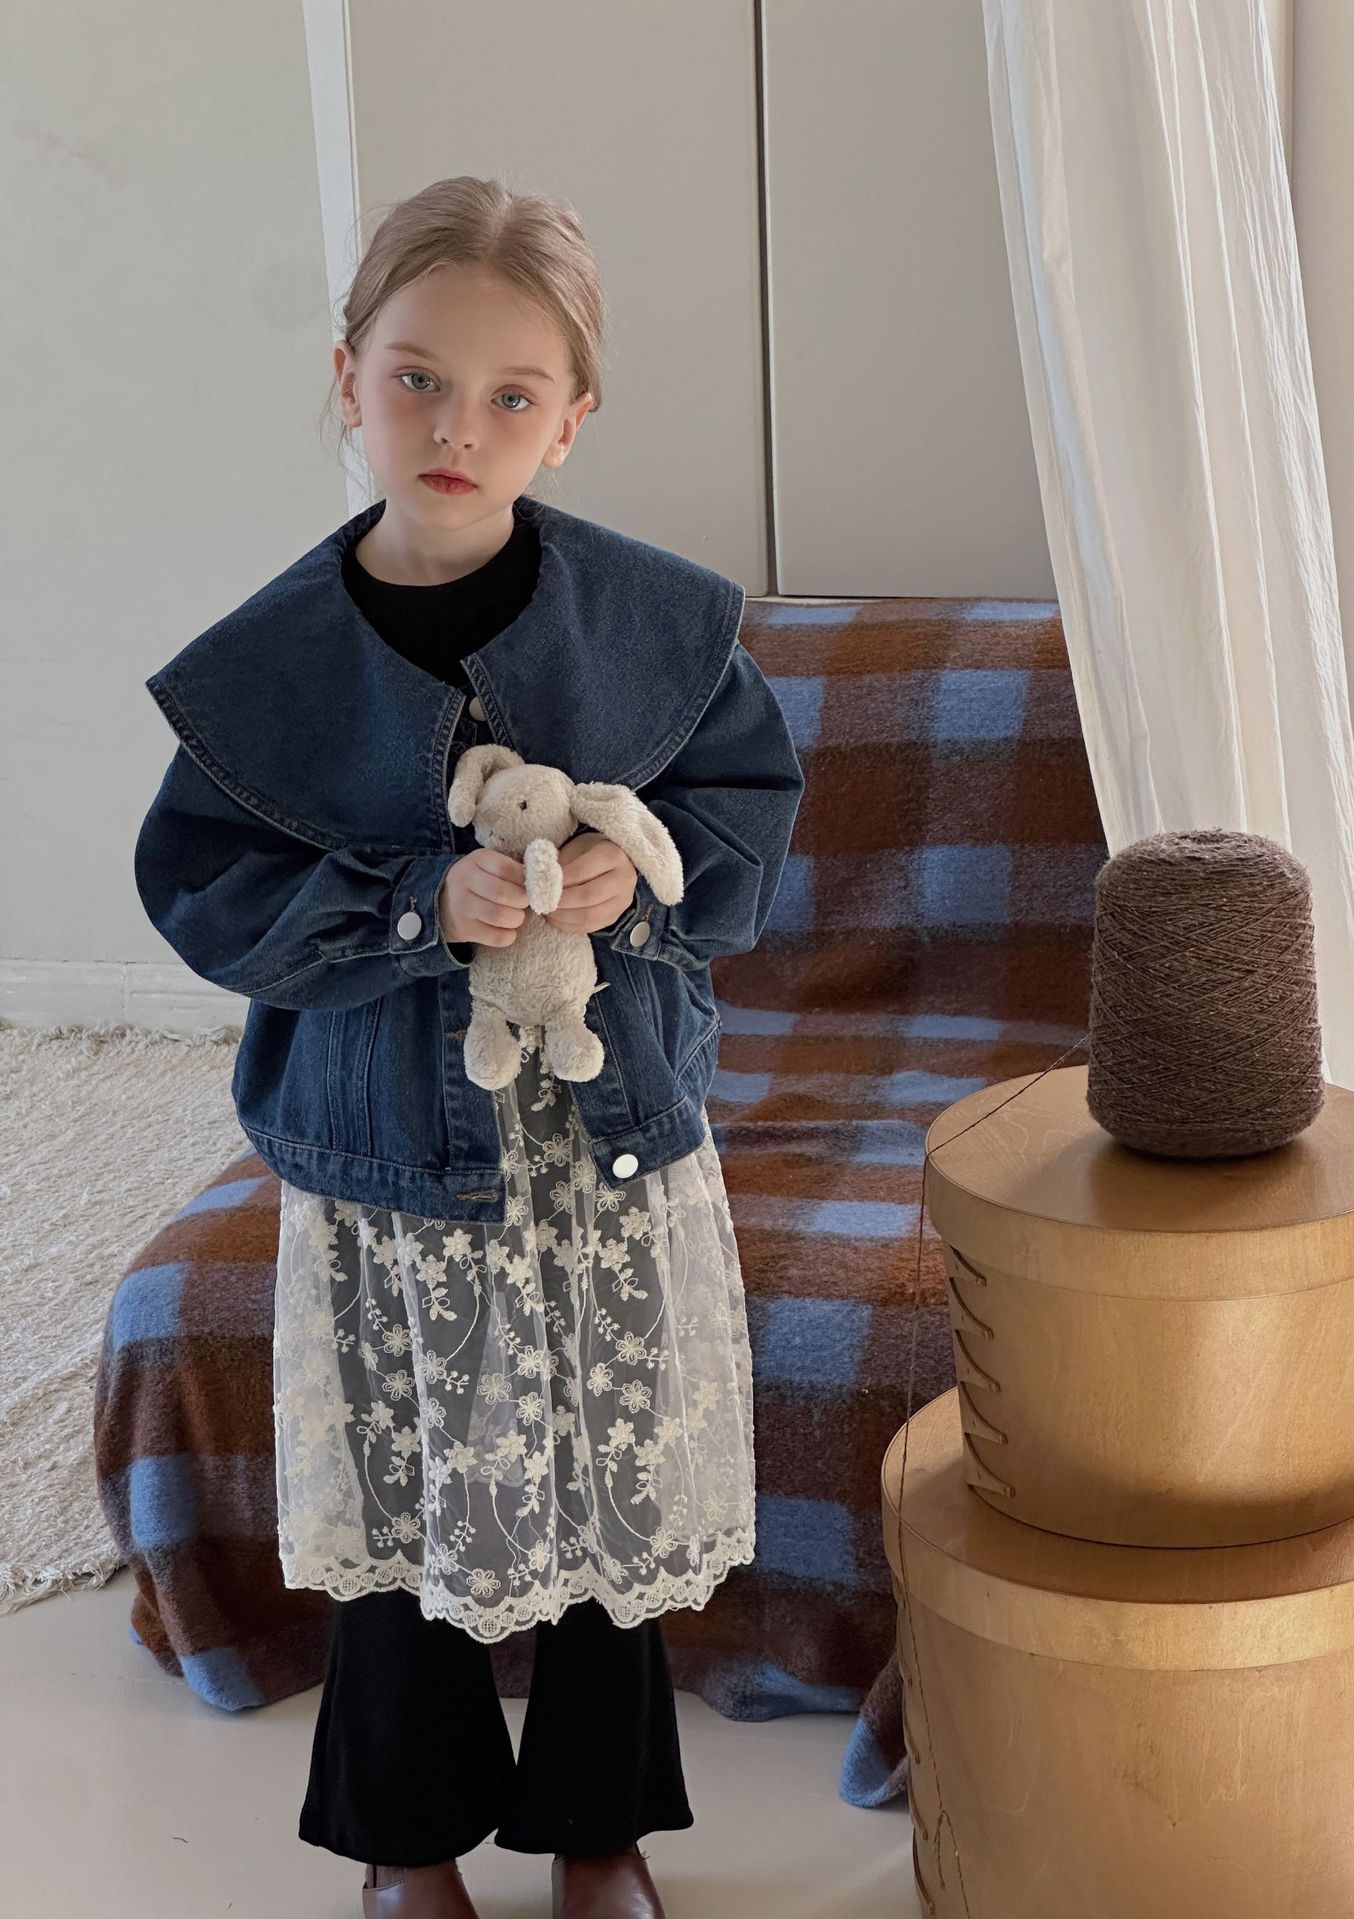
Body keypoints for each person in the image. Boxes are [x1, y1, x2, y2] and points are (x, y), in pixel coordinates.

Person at [132, 175, 805, 1919]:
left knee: (604, 1480)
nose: (457, 428)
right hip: (383, 1157)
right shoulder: (261, 667)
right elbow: (206, 893)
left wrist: (638, 882)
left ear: (569, 421)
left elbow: (741, 825)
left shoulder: (659, 621)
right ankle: (403, 1840)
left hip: (608, 1137)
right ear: (347, 378)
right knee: (405, 1494)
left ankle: (599, 1832)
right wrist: (408, 908)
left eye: (512, 394)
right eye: (418, 380)